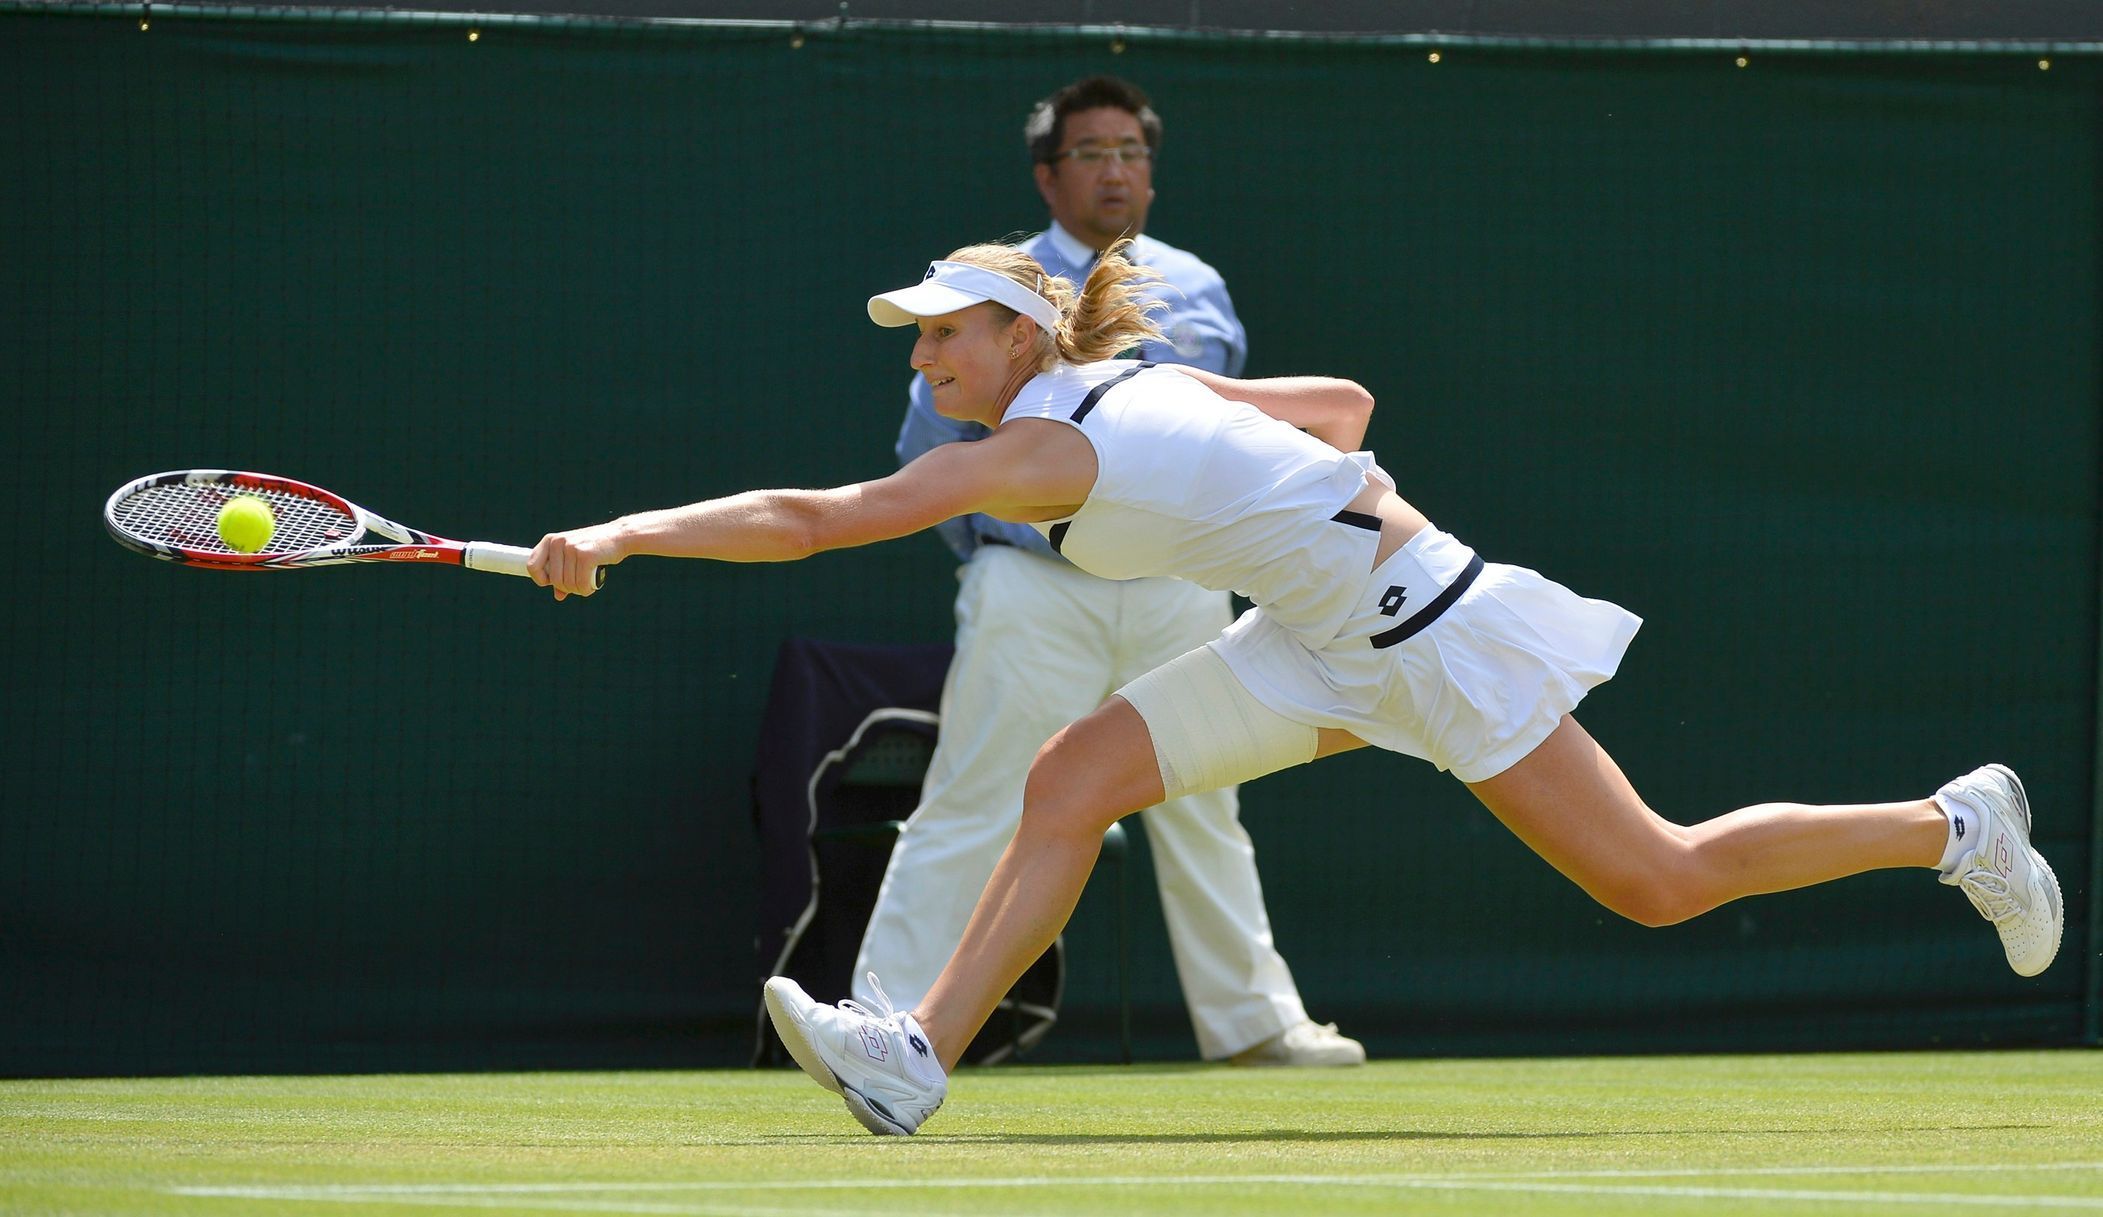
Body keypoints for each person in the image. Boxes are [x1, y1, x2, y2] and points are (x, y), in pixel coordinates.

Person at [527, 241, 2063, 1139]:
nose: (924, 356)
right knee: (1070, 779)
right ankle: (917, 1055)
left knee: (1654, 880)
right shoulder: (1138, 389)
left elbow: (818, 518)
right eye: (914, 336)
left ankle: (1947, 826)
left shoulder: (1052, 443)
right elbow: (1343, 408)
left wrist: (617, 533)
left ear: (1018, 335)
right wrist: (1283, 480)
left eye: (945, 332)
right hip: (1317, 638)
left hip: (1423, 634)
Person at [860, 74, 1362, 1069]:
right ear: (1049, 178)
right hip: (1033, 586)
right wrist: (1011, 554)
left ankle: (1257, 1026)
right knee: (974, 796)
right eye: (1092, 153)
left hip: (1181, 582)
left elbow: (1246, 429)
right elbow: (933, 452)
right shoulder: (986, 289)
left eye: (1132, 153)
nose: (1117, 171)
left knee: (1203, 803)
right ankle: (873, 1020)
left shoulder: (1197, 282)